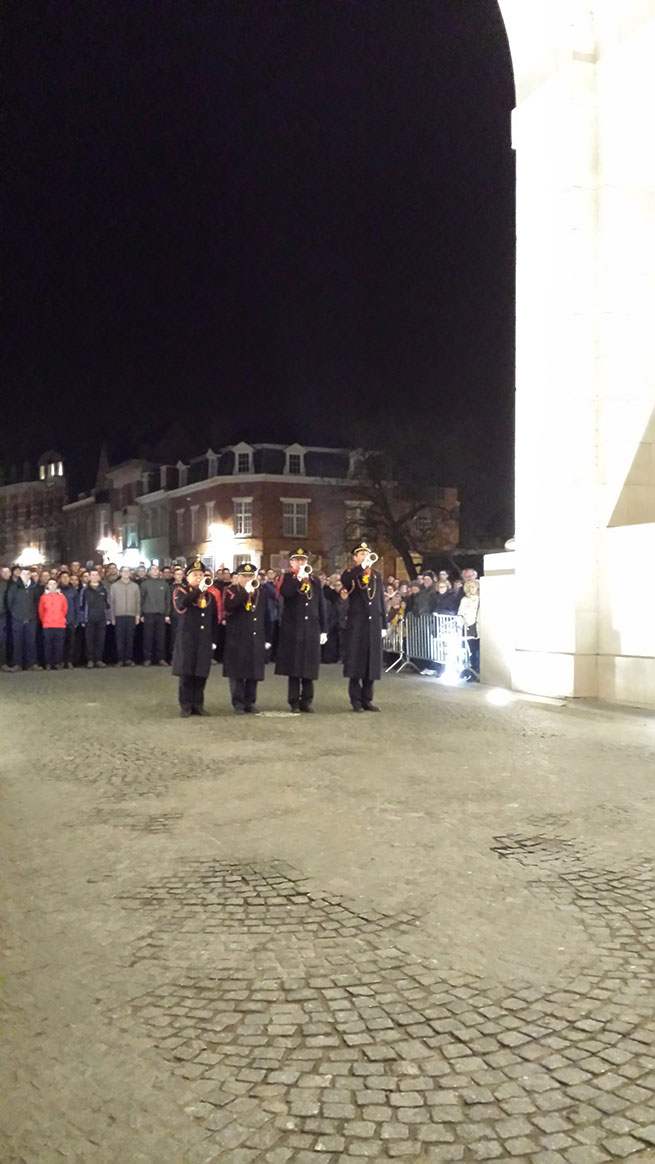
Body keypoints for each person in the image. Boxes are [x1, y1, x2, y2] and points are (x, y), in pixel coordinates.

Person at [275, 549, 327, 712]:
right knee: (294, 667)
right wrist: (298, 577)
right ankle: (294, 701)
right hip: (293, 627)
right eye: (297, 560)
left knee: (309, 666)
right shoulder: (287, 578)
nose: (301, 563)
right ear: (291, 562)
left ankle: (307, 700)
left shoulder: (314, 580)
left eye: (303, 560)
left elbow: (320, 605)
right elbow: (286, 593)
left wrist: (323, 629)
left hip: (311, 627)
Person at [340, 541, 387, 712]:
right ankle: (356, 700)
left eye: (367, 554)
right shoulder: (351, 573)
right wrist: (361, 567)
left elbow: (380, 599)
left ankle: (367, 699)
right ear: (355, 558)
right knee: (356, 662)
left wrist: (384, 623)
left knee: (371, 662)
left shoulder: (376, 576)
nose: (365, 557)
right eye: (361, 555)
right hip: (357, 624)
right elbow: (346, 581)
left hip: (373, 623)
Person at [171, 558, 218, 717]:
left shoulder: (209, 596)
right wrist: (198, 590)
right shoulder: (180, 591)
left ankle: (198, 704)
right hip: (187, 638)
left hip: (203, 639)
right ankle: (185, 705)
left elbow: (213, 619)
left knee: (201, 673)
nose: (199, 578)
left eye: (201, 575)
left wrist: (214, 639)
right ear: (188, 577)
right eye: (195, 575)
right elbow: (182, 605)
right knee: (187, 673)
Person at [223, 563, 267, 714]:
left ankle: (250, 701)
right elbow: (229, 607)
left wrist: (267, 637)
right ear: (239, 577)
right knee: (237, 672)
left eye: (251, 576)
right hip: (237, 637)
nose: (248, 579)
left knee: (253, 672)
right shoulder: (231, 591)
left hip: (255, 636)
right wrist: (244, 593)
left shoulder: (261, 593)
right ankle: (238, 703)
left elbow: (264, 616)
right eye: (245, 576)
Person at [7, 568, 40, 671]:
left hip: (31, 620)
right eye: (23, 573)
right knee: (17, 642)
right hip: (17, 619)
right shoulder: (14, 587)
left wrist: (33, 615)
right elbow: (9, 602)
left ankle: (32, 664)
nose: (25, 575)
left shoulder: (35, 588)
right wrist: (15, 614)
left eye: (27, 573)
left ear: (30, 575)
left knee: (31, 642)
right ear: (20, 575)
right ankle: (18, 664)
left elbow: (37, 603)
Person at [139, 564, 171, 666]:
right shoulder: (144, 584)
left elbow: (168, 600)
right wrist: (141, 614)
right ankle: (147, 658)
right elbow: (141, 600)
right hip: (148, 614)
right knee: (148, 637)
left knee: (161, 637)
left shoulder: (164, 584)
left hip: (161, 614)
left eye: (156, 569)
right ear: (149, 572)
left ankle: (161, 658)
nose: (155, 571)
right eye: (153, 569)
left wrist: (167, 614)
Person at [110, 566, 141, 665]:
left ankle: (128, 659)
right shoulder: (114, 586)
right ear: (120, 573)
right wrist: (112, 616)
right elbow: (111, 602)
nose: (126, 573)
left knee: (130, 638)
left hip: (131, 615)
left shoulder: (135, 586)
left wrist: (137, 615)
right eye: (124, 571)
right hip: (119, 615)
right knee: (119, 639)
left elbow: (138, 601)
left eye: (128, 571)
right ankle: (120, 659)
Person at [81, 568, 109, 667]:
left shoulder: (104, 589)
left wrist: (108, 618)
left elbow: (107, 604)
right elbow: (81, 605)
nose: (94, 577)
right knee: (89, 640)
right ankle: (90, 660)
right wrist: (82, 619)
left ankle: (98, 659)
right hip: (89, 619)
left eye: (96, 575)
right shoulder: (85, 590)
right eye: (92, 575)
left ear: (99, 576)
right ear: (89, 577)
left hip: (101, 618)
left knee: (100, 640)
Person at [38, 579, 68, 669]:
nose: (52, 586)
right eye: (50, 584)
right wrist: (45, 620)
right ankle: (48, 663)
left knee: (59, 645)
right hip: (47, 624)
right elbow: (41, 611)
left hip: (60, 624)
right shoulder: (43, 597)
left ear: (56, 585)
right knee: (48, 645)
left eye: (54, 584)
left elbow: (65, 609)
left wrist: (60, 618)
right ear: (47, 585)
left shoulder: (62, 597)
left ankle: (57, 663)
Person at [57, 570, 80, 668]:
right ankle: (61, 661)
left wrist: (77, 620)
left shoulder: (73, 591)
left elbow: (77, 606)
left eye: (67, 577)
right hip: (59, 621)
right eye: (63, 577)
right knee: (60, 642)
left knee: (71, 642)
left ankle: (69, 661)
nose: (65, 579)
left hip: (71, 620)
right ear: (60, 579)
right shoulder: (57, 591)